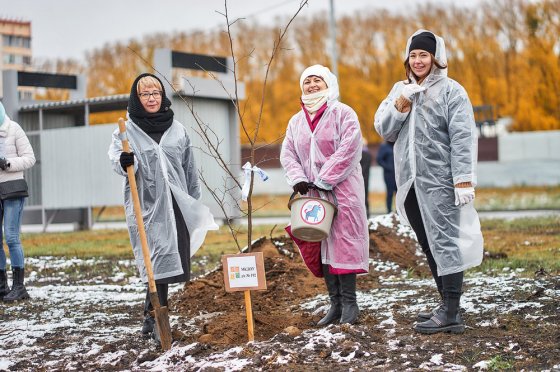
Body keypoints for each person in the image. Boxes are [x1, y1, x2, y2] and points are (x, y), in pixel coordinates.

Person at [374, 30, 483, 334]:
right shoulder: (401, 89)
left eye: (424, 54)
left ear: (436, 58)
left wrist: (462, 179)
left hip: (441, 183)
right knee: (428, 243)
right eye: (414, 55)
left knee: (445, 242)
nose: (418, 60)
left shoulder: (452, 91)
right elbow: (384, 130)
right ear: (407, 59)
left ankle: (451, 310)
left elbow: (462, 137)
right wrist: (400, 105)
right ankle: (446, 305)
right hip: (410, 184)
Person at [108, 73, 217, 336]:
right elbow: (115, 157)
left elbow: (189, 167)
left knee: (168, 260)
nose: (152, 98)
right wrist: (123, 162)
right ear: (137, 98)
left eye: (156, 93)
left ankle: (151, 316)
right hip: (147, 206)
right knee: (155, 259)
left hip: (177, 204)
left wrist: (192, 200)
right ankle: (158, 318)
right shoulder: (126, 130)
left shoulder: (177, 129)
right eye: (145, 94)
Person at [281, 64, 369, 325]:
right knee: (321, 243)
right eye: (307, 81)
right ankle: (335, 305)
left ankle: (350, 304)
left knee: (345, 243)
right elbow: (288, 153)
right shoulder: (295, 122)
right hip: (312, 194)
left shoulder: (343, 114)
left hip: (343, 191)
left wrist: (324, 178)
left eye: (317, 80)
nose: (312, 85)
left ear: (328, 83)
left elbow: (349, 149)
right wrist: (298, 178)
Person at [0, 101, 36, 302]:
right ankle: (2, 286)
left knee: (11, 237)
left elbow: (30, 158)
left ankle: (19, 287)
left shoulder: (13, 128)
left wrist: (7, 163)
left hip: (12, 189)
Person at [376, 141, 397, 213]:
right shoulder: (384, 146)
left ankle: (399, 212)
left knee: (399, 193)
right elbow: (379, 159)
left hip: (398, 175)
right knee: (390, 193)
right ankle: (389, 211)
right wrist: (388, 167)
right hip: (389, 175)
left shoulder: (397, 144)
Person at [359, 138, 372, 217]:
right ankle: (367, 212)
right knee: (366, 195)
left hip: (359, 177)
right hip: (366, 177)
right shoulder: (368, 154)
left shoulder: (359, 154)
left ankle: (362, 213)